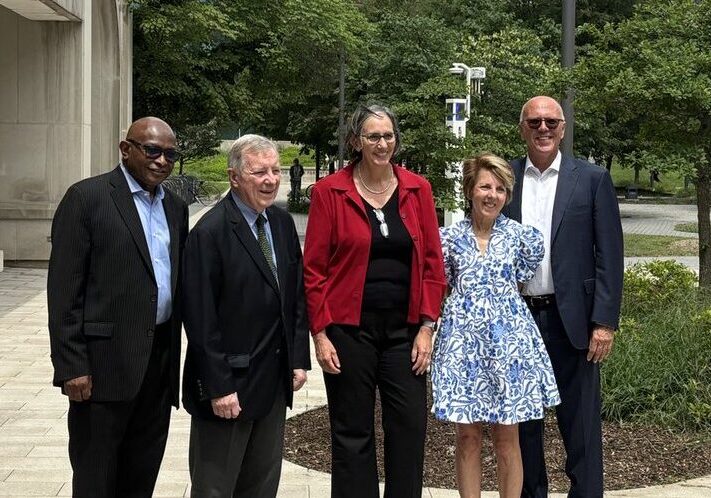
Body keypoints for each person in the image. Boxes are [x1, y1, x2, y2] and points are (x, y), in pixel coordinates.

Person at [303, 104, 447, 498]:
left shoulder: (418, 189)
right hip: (349, 332)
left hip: (405, 333)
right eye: (372, 137)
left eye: (388, 136)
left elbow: (434, 265)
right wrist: (320, 333)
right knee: (351, 434)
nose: (382, 144)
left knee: (409, 429)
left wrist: (427, 327)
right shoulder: (330, 192)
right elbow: (314, 270)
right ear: (356, 141)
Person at [47, 117, 189, 498]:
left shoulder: (176, 207)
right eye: (152, 150)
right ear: (125, 149)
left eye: (170, 154)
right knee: (96, 479)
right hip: (102, 368)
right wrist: (72, 365)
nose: (162, 160)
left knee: (141, 476)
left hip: (157, 367)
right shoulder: (86, 198)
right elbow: (63, 291)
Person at [503, 96, 624, 498]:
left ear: (563, 127)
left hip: (573, 321)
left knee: (582, 426)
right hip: (519, 321)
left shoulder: (591, 179)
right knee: (524, 427)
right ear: (522, 128)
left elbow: (610, 255)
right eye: (534, 122)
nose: (543, 129)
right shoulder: (506, 180)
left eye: (551, 122)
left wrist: (604, 322)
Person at [182, 134, 310, 497]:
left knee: (261, 486)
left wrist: (297, 359)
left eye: (275, 170)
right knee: (216, 489)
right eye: (259, 172)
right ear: (234, 177)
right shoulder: (210, 232)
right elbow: (201, 320)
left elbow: (294, 297)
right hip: (228, 389)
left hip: (272, 384)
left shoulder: (282, 225)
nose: (270, 179)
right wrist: (219, 387)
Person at [432, 153, 561, 498]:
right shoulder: (447, 238)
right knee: (467, 437)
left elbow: (520, 280)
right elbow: (442, 287)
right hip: (462, 346)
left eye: (501, 189)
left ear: (508, 195)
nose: (492, 194)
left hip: (509, 348)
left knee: (508, 438)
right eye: (485, 186)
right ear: (470, 190)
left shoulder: (522, 238)